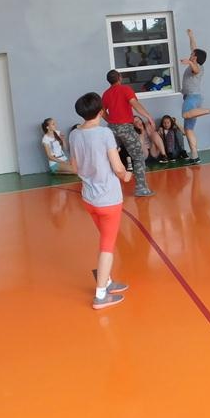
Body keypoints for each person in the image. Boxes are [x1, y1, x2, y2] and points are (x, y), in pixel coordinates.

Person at [68, 92, 132, 310]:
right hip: (109, 199)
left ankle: (107, 281)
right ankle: (100, 295)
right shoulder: (105, 133)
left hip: (89, 198)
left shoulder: (74, 134)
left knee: (105, 239)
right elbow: (118, 167)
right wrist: (126, 175)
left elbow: (75, 167)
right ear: (101, 111)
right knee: (107, 246)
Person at [102, 69, 162, 198]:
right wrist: (148, 116)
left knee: (109, 158)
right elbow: (135, 104)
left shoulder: (106, 93)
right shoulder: (126, 89)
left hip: (111, 129)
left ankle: (106, 190)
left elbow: (102, 111)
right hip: (126, 128)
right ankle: (141, 189)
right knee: (138, 157)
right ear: (120, 77)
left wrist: (111, 121)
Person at [180, 28, 210, 164]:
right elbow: (194, 47)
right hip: (193, 98)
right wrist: (191, 35)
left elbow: (195, 70)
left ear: (195, 57)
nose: (190, 54)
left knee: (185, 115)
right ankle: (195, 156)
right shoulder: (195, 61)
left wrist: (189, 62)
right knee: (188, 129)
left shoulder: (197, 66)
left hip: (192, 98)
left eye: (192, 54)